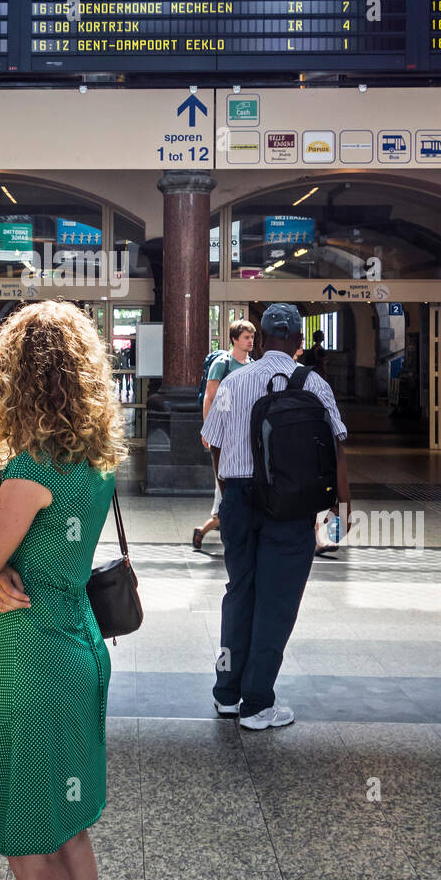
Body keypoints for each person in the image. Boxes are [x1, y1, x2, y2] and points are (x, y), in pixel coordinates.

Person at [0, 300, 126, 880]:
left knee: (30, 848)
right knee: (72, 829)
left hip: (35, 665)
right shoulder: (95, 463)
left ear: (14, 377)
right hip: (81, 646)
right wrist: (8, 563)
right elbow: (46, 552)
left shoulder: (28, 473)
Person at [202, 303, 350, 730]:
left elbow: (211, 441)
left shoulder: (234, 380)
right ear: (300, 344)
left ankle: (227, 693)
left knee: (239, 594)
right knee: (277, 602)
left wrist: (229, 489)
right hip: (290, 506)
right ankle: (258, 703)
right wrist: (340, 509)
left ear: (262, 340)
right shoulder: (316, 385)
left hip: (239, 501)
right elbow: (337, 446)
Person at [193, 319, 256, 553]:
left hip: (245, 429)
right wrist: (207, 427)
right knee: (225, 477)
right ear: (235, 339)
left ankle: (216, 521)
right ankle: (218, 521)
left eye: (252, 337)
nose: (250, 341)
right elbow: (210, 396)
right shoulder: (222, 364)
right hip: (225, 428)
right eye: (246, 338)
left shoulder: (252, 364)